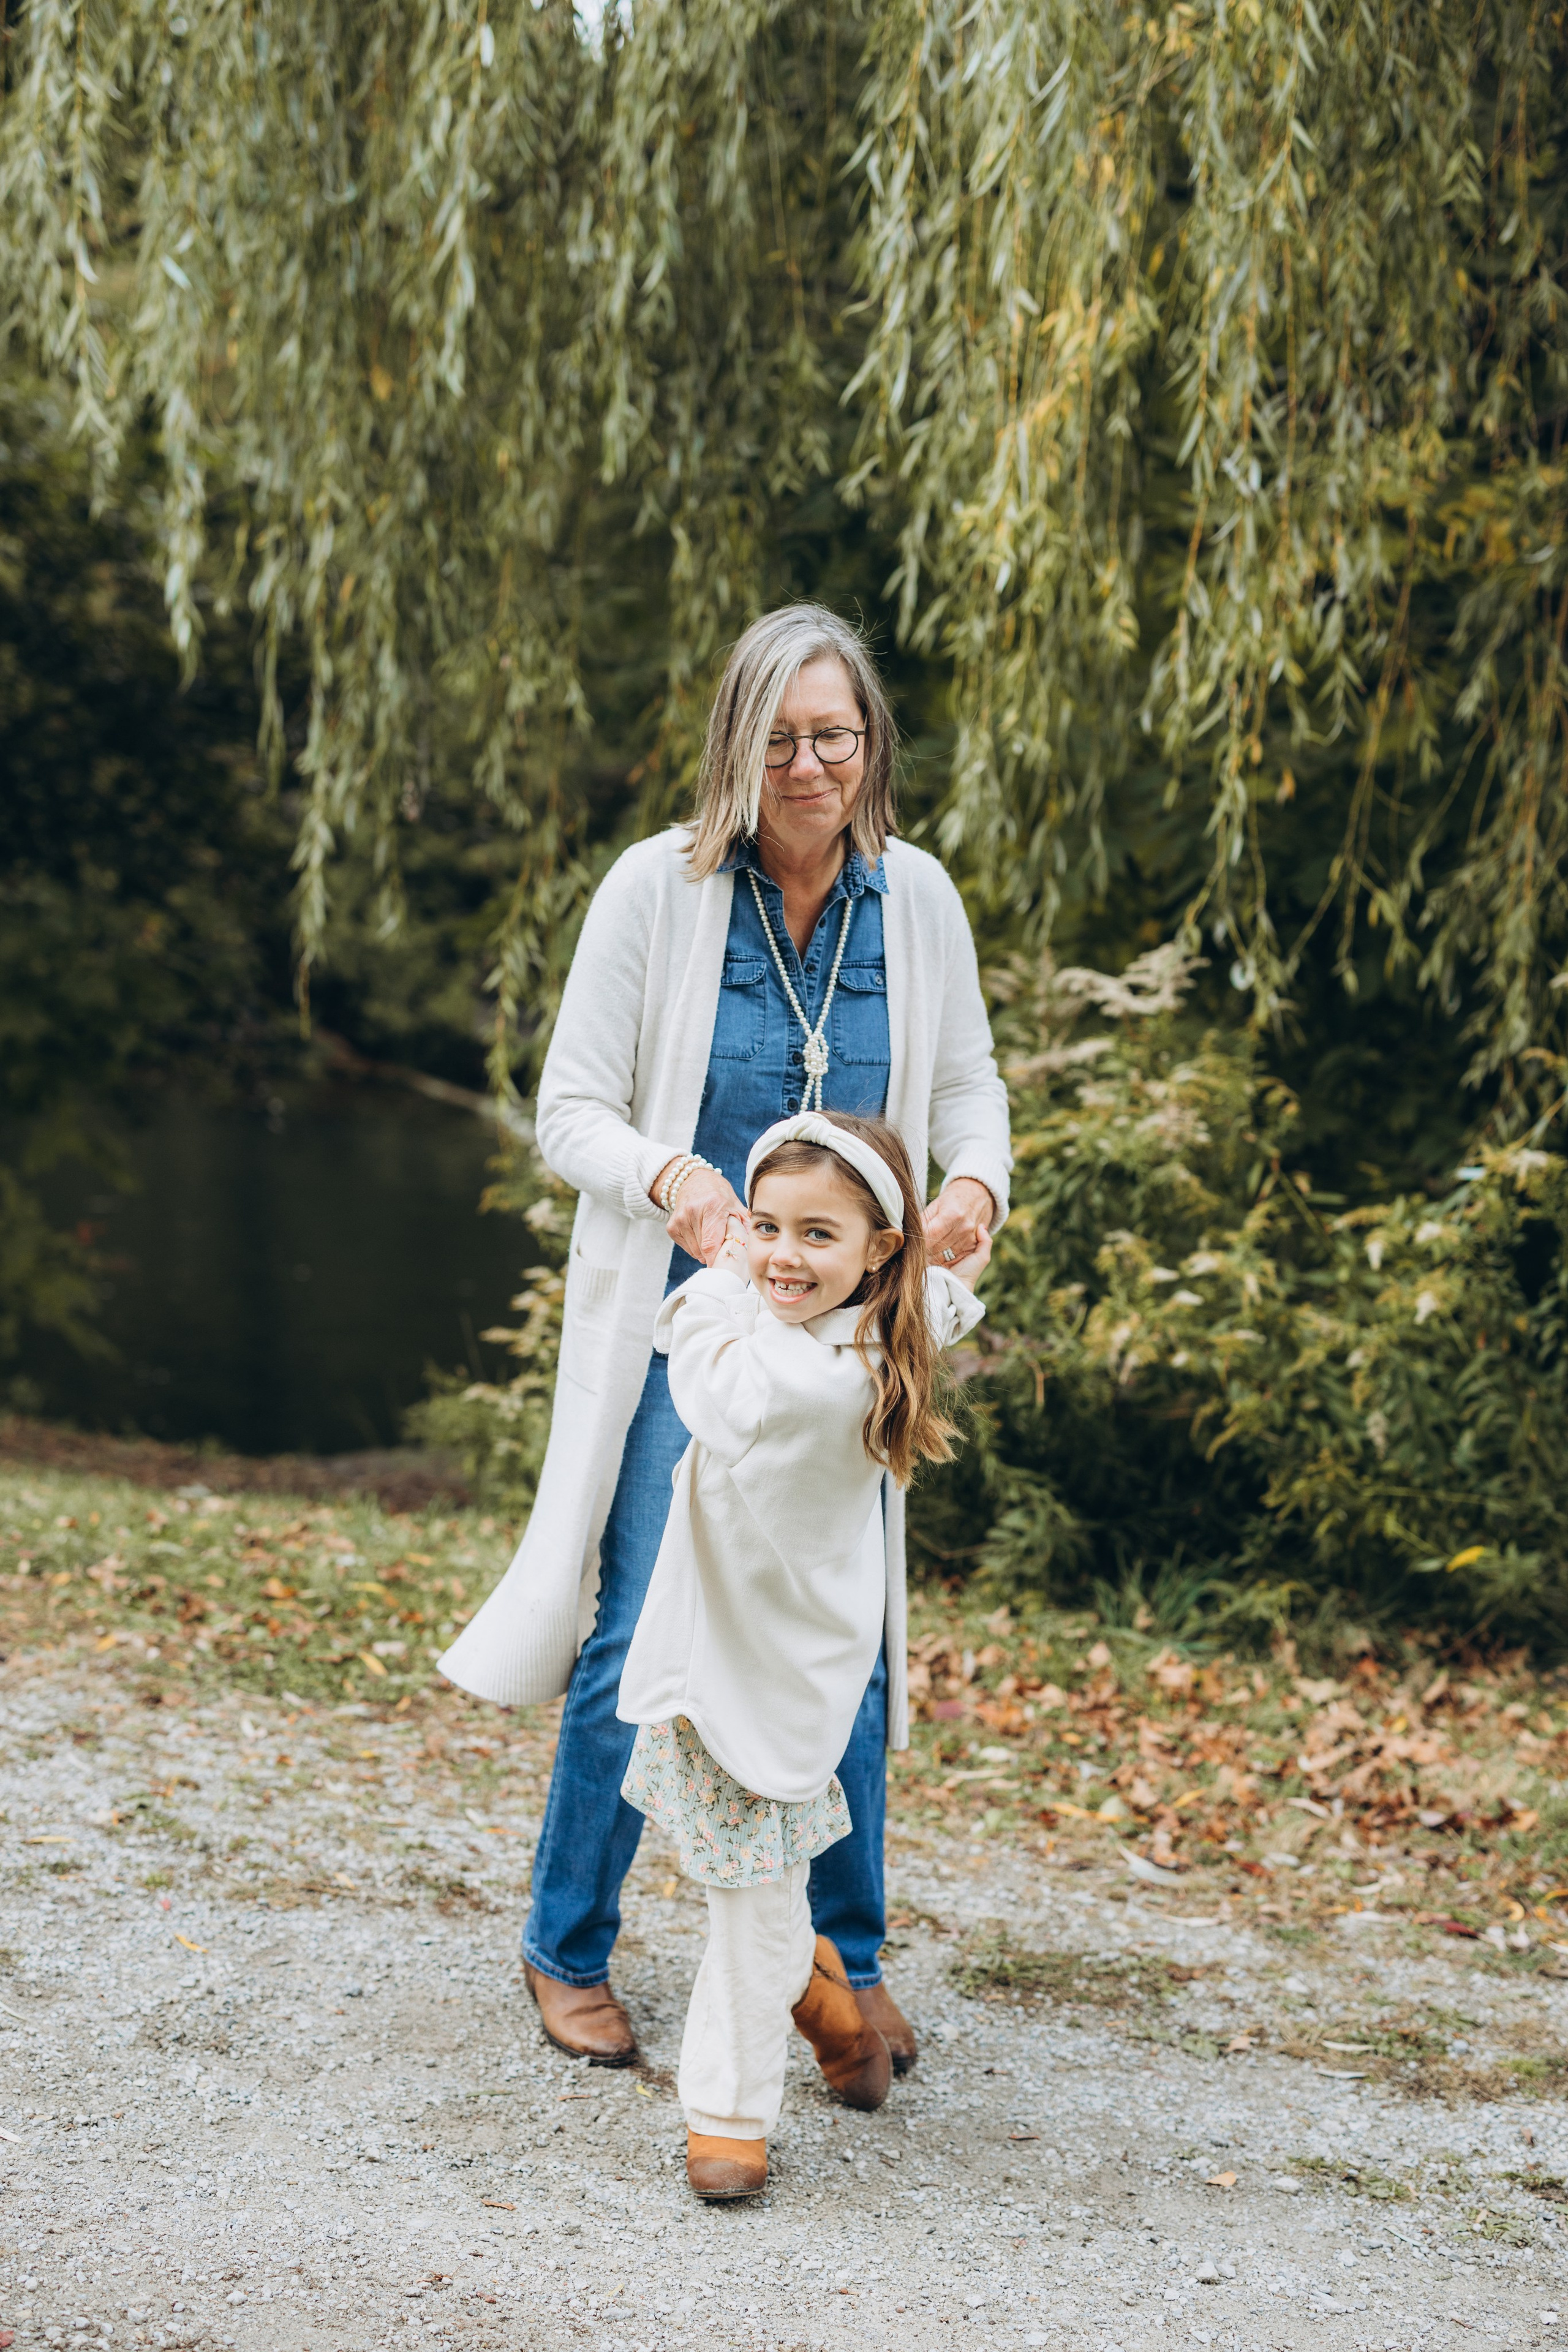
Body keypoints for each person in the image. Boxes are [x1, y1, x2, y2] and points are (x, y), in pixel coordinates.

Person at [439, 601, 1011, 2087]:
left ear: (870, 742)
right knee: (640, 1626)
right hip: (686, 1326)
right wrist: (675, 1182)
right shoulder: (658, 888)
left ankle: (845, 1961)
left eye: (835, 736)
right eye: (779, 740)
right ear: (734, 746)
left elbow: (970, 1093)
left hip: (851, 1342)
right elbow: (570, 1112)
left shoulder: (917, 899)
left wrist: (973, 1188)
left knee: (847, 1645)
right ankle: (567, 1944)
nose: (809, 766)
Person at [617, 1111, 989, 2199]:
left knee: (746, 1901)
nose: (782, 1255)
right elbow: (947, 1286)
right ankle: (825, 1997)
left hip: (767, 1673)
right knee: (754, 1879)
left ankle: (729, 2118)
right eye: (769, 1225)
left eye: (817, 1235)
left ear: (877, 1250)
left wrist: (725, 1264)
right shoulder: (894, 1316)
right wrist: (955, 1233)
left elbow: (704, 1366)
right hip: (726, 1650)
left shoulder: (805, 1373)